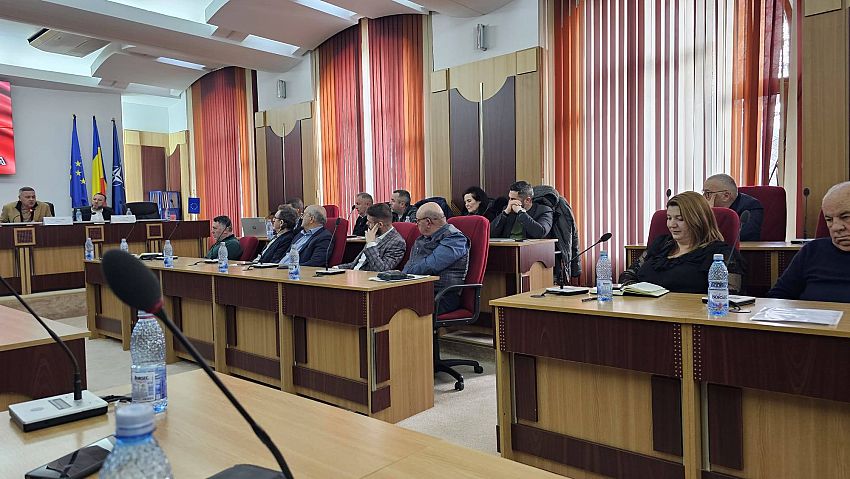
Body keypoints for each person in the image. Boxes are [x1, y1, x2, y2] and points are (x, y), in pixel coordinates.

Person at [619, 191, 744, 293]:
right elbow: (628, 274)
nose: (672, 225)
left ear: (698, 220)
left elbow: (729, 295)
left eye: (680, 219)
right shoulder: (661, 244)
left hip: (690, 314)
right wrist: (636, 292)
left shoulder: (721, 254)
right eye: (669, 218)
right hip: (646, 310)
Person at [768, 181, 850, 302]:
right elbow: (778, 296)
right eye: (829, 220)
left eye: (846, 217)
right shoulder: (812, 251)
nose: (836, 227)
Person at [402, 202, 470, 313]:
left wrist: (404, 275)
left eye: (417, 221)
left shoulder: (455, 239)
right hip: (419, 291)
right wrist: (399, 278)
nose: (416, 224)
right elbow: (410, 263)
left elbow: (430, 266)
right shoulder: (422, 239)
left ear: (428, 222)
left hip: (441, 296)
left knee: (397, 305)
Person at [338, 203, 406, 271]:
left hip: (365, 277)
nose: (367, 223)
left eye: (369, 222)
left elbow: (381, 270)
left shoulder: (397, 243)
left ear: (380, 224)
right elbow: (358, 264)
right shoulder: (374, 235)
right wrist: (337, 268)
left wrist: (370, 244)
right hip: (354, 273)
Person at [702, 173, 764, 241]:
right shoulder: (704, 208)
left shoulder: (751, 205)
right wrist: (709, 212)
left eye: (708, 193)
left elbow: (743, 236)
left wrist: (713, 213)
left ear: (726, 196)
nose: (703, 197)